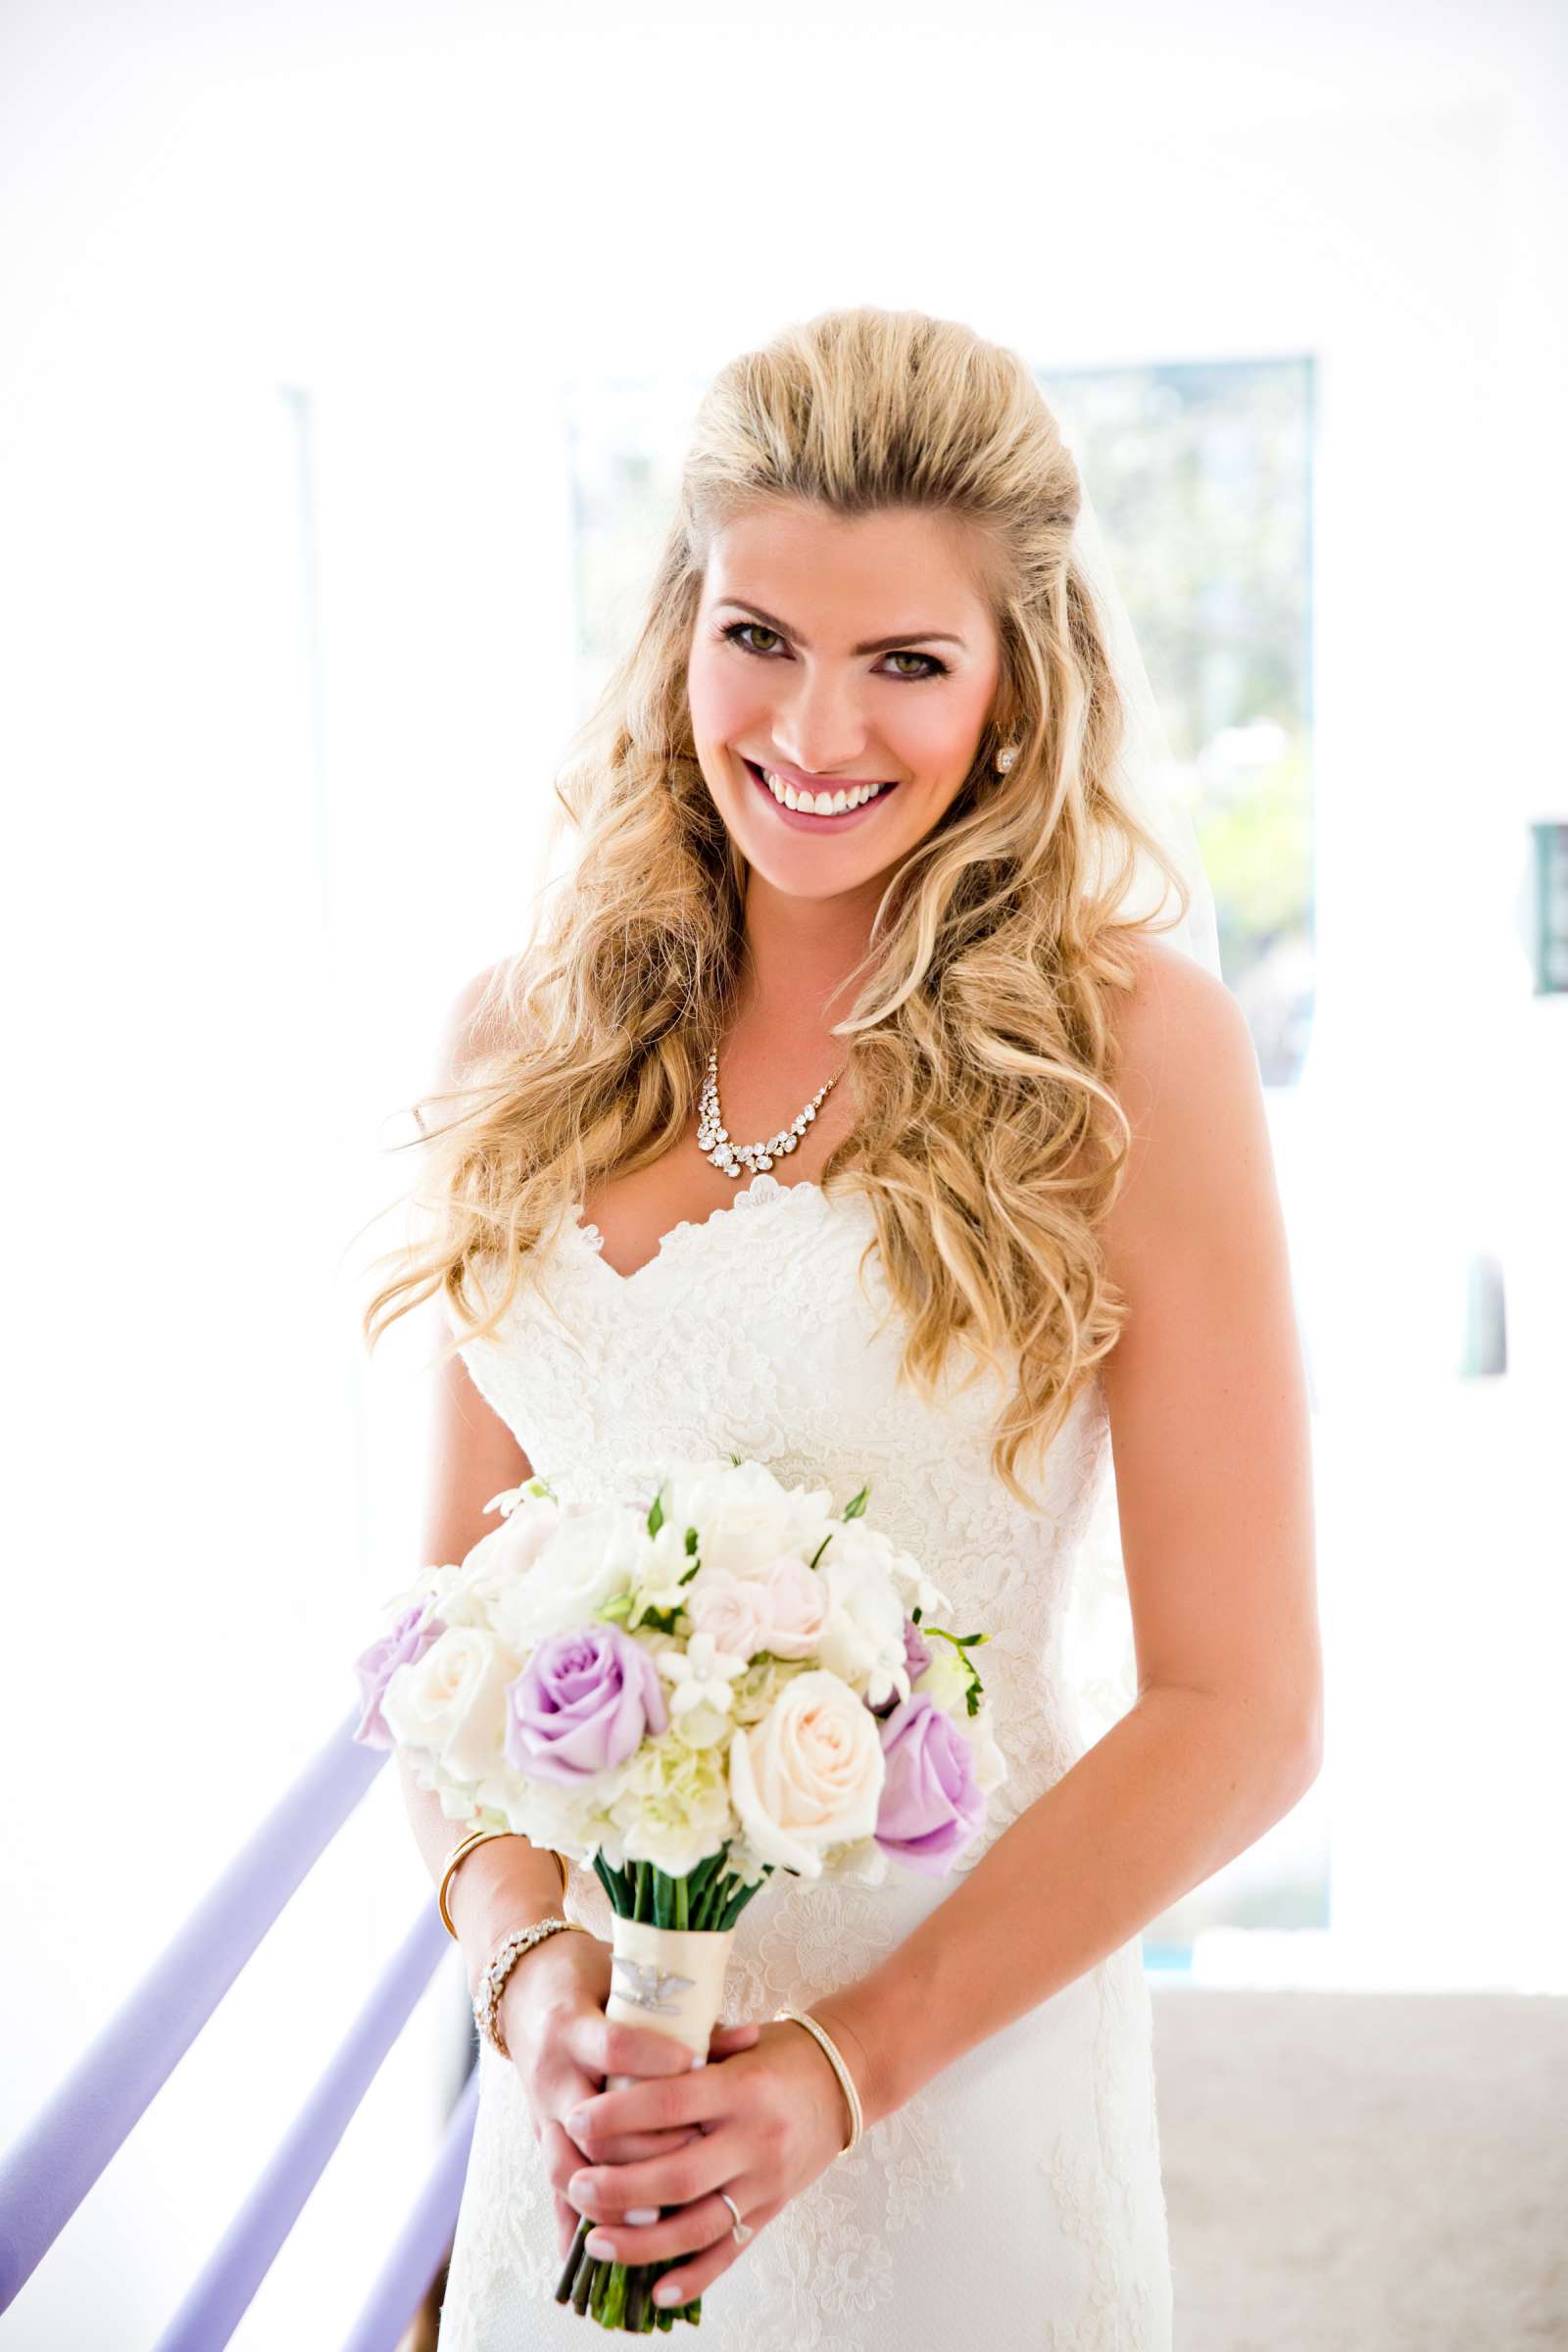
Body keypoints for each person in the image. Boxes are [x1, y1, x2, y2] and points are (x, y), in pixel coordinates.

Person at [361, 305, 1322, 2349]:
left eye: (905, 661)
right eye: (757, 637)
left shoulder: (1128, 1050)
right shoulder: (514, 1047)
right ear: (677, 631)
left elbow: (1241, 1714)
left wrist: (839, 2070)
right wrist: (530, 1991)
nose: (812, 729)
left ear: (1014, 688)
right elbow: (450, 1645)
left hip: (954, 2093)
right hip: (592, 2125)